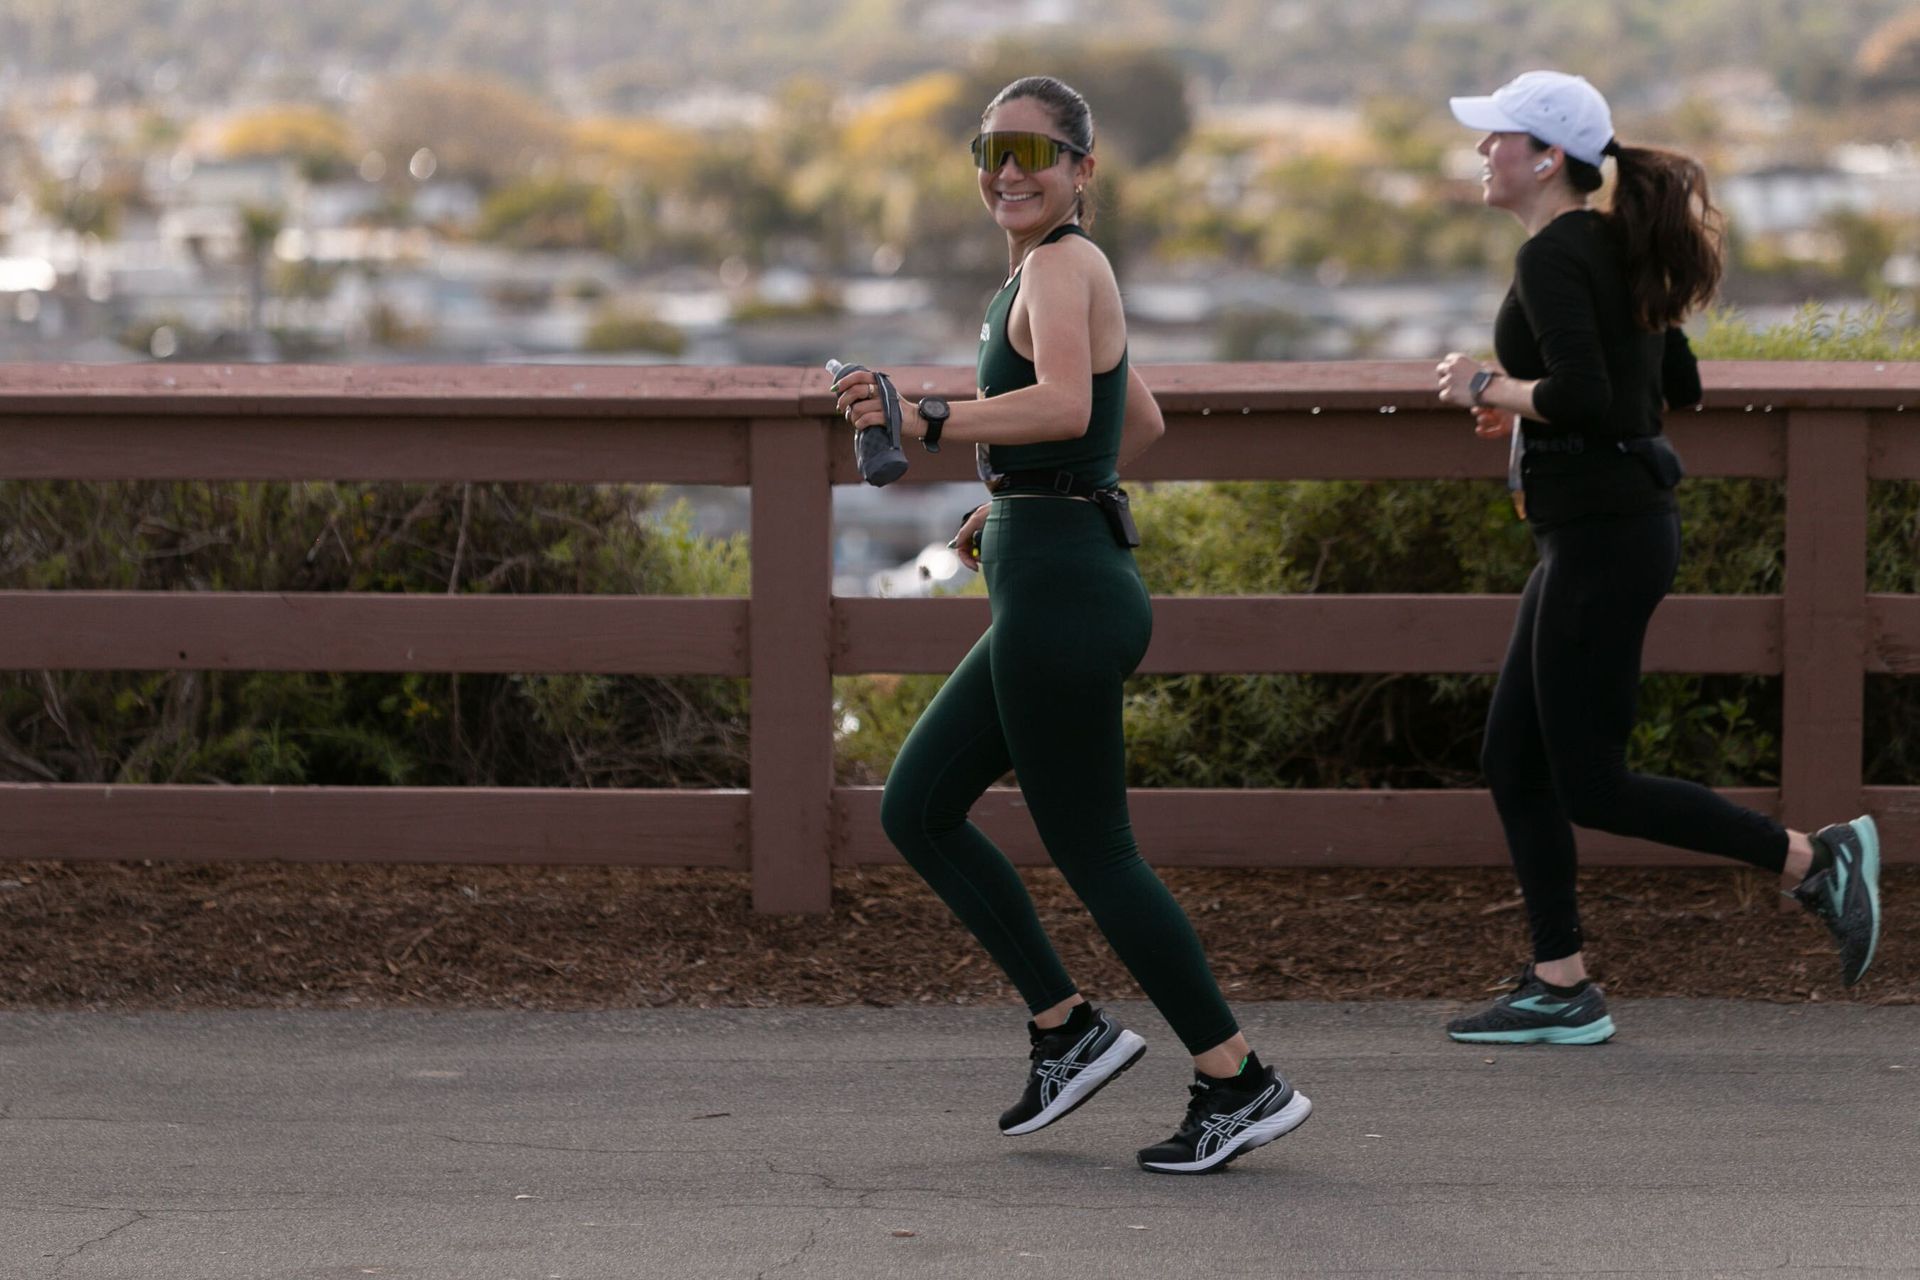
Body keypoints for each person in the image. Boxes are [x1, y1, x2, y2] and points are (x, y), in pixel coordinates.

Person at [831, 76, 1311, 1173]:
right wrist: (1020, 498)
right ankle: (1067, 1026)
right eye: (990, 149)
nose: (1006, 169)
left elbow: (1063, 404)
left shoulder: (1062, 263)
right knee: (918, 806)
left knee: (1097, 852)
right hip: (1054, 571)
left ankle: (1239, 1078)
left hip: (1063, 596)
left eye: (1033, 151)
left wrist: (933, 414)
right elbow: (1135, 416)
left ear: (1083, 171)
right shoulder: (1052, 272)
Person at [1435, 71, 1883, 1045]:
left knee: (1590, 779)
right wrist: (1528, 406)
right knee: (1514, 756)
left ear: (1546, 157)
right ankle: (1560, 980)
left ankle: (1817, 860)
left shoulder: (1558, 254)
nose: (1482, 152)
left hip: (1603, 538)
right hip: (1607, 530)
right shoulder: (1614, 244)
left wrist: (1492, 384)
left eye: (1497, 137)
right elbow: (1674, 380)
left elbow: (1593, 395)